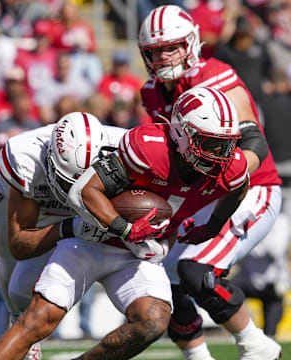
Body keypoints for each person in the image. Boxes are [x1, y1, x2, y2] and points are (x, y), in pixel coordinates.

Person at [0, 86, 248, 360]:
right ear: (182, 134)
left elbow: (237, 187)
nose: (222, 153)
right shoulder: (147, 148)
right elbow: (83, 191)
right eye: (211, 143)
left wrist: (210, 228)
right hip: (90, 238)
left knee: (153, 320)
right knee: (37, 316)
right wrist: (125, 229)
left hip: (132, 251)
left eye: (227, 143)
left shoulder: (230, 167)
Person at [138, 5, 282, 360]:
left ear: (191, 44)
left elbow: (254, 145)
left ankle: (257, 347)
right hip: (201, 195)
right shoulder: (151, 92)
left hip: (250, 188)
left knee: (194, 271)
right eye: (156, 49)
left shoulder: (215, 77)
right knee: (158, 276)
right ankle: (197, 357)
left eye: (172, 47)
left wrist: (232, 179)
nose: (164, 56)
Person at [0, 112, 127, 359]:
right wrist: (69, 227)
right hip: (33, 195)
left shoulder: (124, 148)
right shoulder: (25, 158)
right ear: (50, 161)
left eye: (82, 184)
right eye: (69, 183)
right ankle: (20, 323)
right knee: (10, 264)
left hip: (89, 189)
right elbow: (19, 245)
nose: (75, 194)